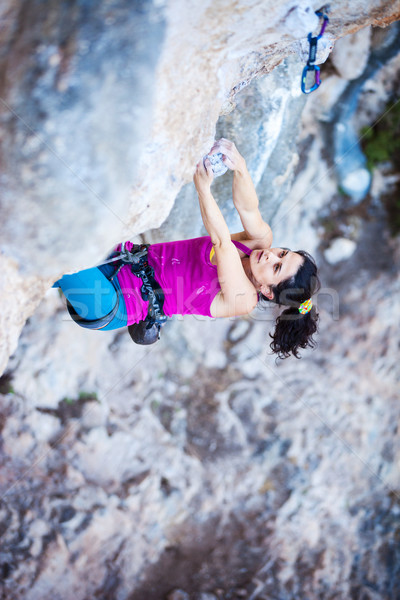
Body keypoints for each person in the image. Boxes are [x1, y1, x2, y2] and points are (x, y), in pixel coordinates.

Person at [54, 138, 320, 358]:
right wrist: (240, 168)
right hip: (117, 259)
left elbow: (222, 244)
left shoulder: (244, 299)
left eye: (276, 267)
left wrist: (203, 188)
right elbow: (248, 208)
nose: (272, 254)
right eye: (283, 253)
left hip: (113, 302)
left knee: (58, 248)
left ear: (266, 291)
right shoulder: (260, 243)